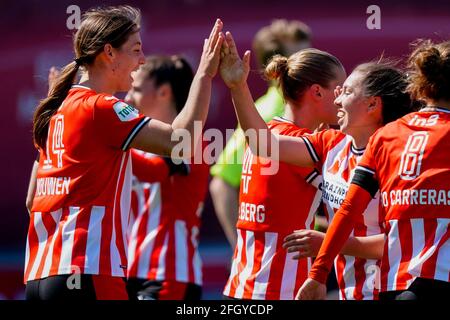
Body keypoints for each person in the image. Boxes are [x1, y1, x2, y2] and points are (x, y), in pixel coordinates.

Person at [24, 5, 223, 300]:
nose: (141, 60)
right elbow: (180, 141)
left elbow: (31, 201)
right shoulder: (103, 107)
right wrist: (205, 75)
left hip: (40, 276)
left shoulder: (57, 111)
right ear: (109, 53)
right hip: (88, 269)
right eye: (136, 49)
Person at [219, 31, 414, 299]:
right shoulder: (329, 143)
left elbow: (405, 241)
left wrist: (330, 243)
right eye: (338, 88)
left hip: (387, 287)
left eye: (345, 91)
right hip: (303, 288)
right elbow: (262, 145)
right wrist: (238, 87)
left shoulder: (397, 156)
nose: (337, 99)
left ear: (372, 104)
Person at [297, 40, 450, 300]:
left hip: (392, 284)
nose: (337, 100)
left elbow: (348, 209)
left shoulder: (387, 135)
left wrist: (318, 273)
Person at [222, 48, 345, 300]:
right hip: (279, 288)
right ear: (318, 92)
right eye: (340, 88)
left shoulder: (270, 130)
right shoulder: (301, 144)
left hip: (242, 284)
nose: (344, 97)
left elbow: (281, 210)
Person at [210, 19, 312, 248]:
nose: (312, 64)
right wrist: (240, 248)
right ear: (276, 69)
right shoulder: (266, 114)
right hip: (278, 261)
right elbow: (222, 183)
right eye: (301, 58)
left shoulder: (313, 107)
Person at [124, 55, 209, 300]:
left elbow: (155, 171)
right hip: (130, 271)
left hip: (170, 274)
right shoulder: (136, 144)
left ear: (164, 92)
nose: (128, 98)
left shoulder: (191, 141)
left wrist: (106, 141)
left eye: (137, 89)